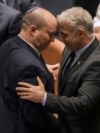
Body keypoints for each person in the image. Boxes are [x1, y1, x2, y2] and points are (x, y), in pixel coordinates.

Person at [16, 7, 100, 133]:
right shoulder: (70, 48)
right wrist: (43, 69)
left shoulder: (96, 62)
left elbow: (83, 103)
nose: (60, 39)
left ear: (81, 33)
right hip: (63, 125)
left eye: (65, 35)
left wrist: (44, 97)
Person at [0, 7, 59, 133]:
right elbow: (34, 115)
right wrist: (58, 123)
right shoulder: (30, 67)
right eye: (51, 34)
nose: (53, 40)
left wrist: (42, 68)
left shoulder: (8, 44)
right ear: (33, 30)